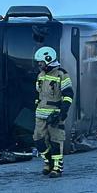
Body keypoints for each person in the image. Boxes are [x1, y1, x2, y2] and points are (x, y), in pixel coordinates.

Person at [33, 46, 74, 178]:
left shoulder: (61, 74)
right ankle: (48, 161)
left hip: (54, 115)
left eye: (41, 62)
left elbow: (68, 94)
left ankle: (57, 167)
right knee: (38, 140)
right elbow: (38, 95)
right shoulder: (40, 75)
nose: (39, 64)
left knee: (56, 141)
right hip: (40, 115)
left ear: (48, 60)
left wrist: (63, 113)